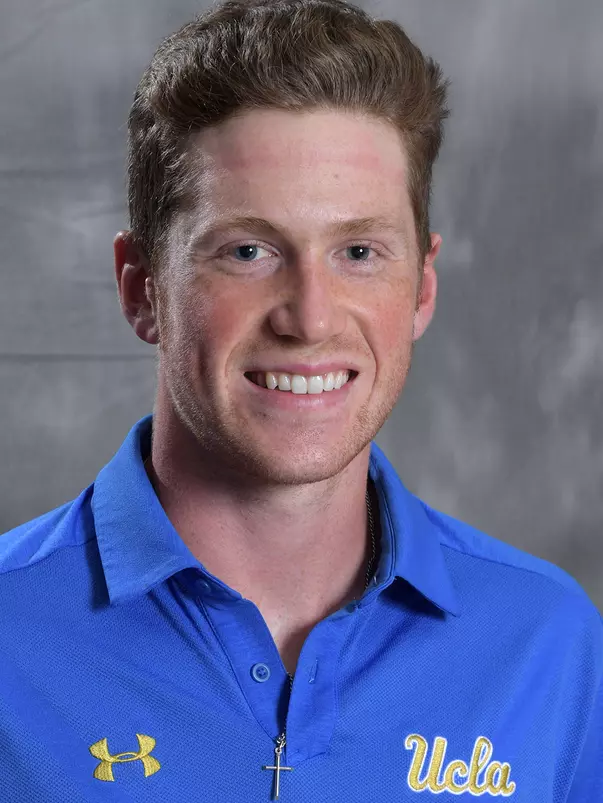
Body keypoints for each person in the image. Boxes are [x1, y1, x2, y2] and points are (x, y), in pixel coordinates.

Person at [0, 0, 601, 799]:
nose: (309, 317)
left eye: (358, 251)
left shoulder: (546, 642)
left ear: (420, 287)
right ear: (141, 288)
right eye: (247, 251)